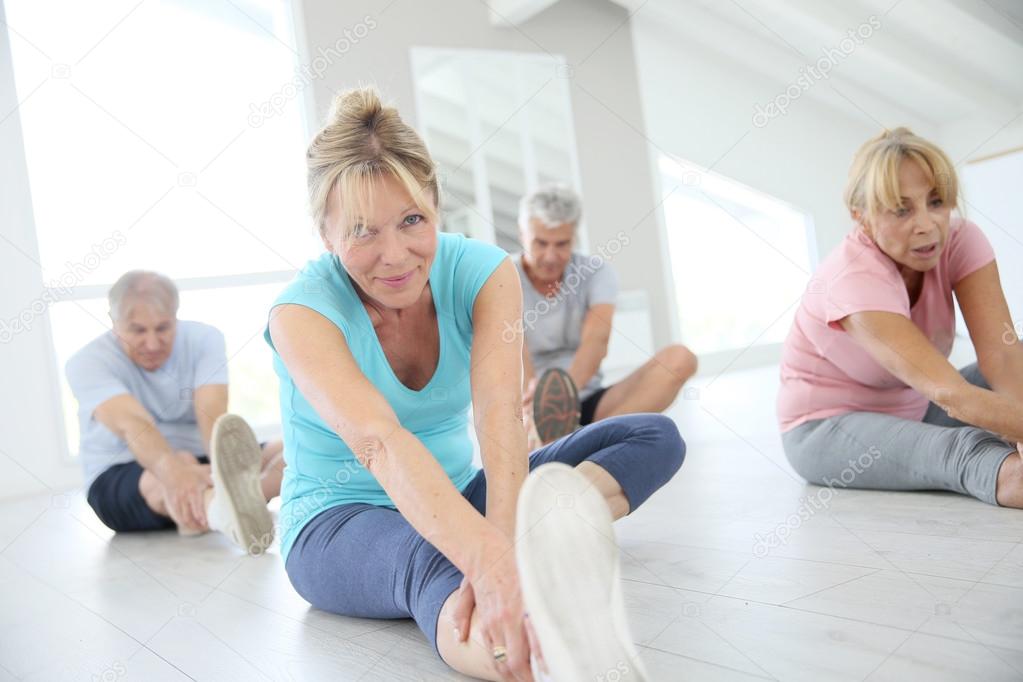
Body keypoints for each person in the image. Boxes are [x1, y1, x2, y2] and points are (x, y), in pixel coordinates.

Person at [260, 87, 686, 680]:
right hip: (339, 519)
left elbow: (497, 416)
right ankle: (559, 663)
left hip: (461, 493)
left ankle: (527, 551)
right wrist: (485, 561)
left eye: (412, 220)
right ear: (325, 234)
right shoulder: (300, 314)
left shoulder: (483, 272)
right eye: (362, 231)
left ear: (436, 205)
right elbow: (379, 442)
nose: (395, 256)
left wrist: (499, 541)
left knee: (653, 437)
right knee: (436, 562)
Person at [778, 127, 1023, 508]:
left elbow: (1004, 358)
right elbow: (951, 394)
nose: (926, 224)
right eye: (902, 209)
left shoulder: (960, 240)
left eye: (937, 202)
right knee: (971, 451)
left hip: (919, 407)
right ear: (860, 216)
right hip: (827, 427)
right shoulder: (852, 277)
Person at [66, 270, 284, 552]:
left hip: (201, 459)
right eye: (138, 331)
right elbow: (132, 425)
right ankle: (222, 513)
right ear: (114, 322)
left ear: (175, 316)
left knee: (294, 448)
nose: (153, 343)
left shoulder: (205, 338)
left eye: (163, 328)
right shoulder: (86, 362)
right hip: (123, 472)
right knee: (170, 467)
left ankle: (220, 503)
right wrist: (178, 472)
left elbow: (212, 414)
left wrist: (216, 471)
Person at [514, 184, 698, 444]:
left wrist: (562, 401)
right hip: (527, 405)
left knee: (680, 359)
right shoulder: (503, 276)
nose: (551, 256)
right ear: (522, 234)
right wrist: (538, 405)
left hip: (584, 399)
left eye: (562, 244)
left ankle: (584, 441)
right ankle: (577, 444)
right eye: (540, 243)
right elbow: (513, 350)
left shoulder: (595, 272)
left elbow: (596, 341)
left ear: (574, 237)